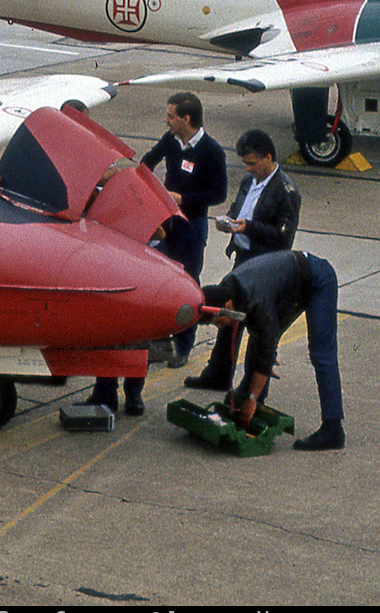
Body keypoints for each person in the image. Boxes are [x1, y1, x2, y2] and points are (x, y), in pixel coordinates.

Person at [87, 91, 226, 415]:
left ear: (186, 119)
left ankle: (183, 345)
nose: (166, 120)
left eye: (171, 115)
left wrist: (183, 199)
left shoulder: (212, 151)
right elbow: (148, 163)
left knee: (188, 283)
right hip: (166, 220)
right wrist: (129, 181)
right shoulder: (171, 140)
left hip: (191, 225)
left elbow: (218, 193)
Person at [187, 129, 301, 391]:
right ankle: (218, 374)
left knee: (259, 328)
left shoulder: (287, 193)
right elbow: (239, 210)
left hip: (264, 267)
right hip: (243, 261)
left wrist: (247, 228)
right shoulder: (249, 182)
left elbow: (283, 240)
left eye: (252, 163)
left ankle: (252, 387)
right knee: (228, 318)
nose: (248, 169)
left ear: (268, 157)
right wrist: (228, 221)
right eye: (245, 163)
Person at [200, 251, 344, 451]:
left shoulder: (256, 298)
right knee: (261, 338)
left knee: (322, 355)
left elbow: (266, 344)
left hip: (318, 280)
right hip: (289, 285)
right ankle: (252, 395)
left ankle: (333, 429)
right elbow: (261, 336)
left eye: (219, 321)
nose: (220, 326)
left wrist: (252, 398)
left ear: (228, 305)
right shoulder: (227, 288)